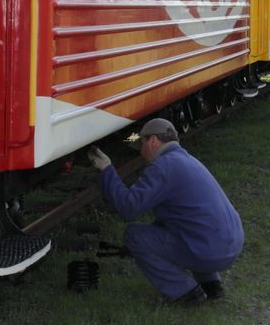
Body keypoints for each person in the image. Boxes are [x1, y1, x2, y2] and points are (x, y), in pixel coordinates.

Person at [87, 118, 244, 305]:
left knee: (135, 235)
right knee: (193, 226)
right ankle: (211, 284)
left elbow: (128, 208)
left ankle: (186, 292)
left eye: (141, 143)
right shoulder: (187, 160)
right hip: (231, 246)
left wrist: (106, 170)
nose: (141, 150)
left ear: (153, 141)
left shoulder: (163, 167)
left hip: (208, 251)